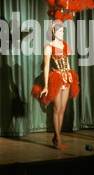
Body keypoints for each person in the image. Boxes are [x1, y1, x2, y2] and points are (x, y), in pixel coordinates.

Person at [31, 21, 80, 149]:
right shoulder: (48, 47)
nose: (62, 33)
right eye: (59, 31)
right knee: (56, 109)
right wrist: (46, 86)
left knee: (63, 109)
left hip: (66, 78)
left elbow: (67, 63)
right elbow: (46, 67)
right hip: (56, 78)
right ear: (53, 32)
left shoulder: (64, 45)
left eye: (63, 31)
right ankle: (57, 137)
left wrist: (71, 77)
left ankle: (57, 136)